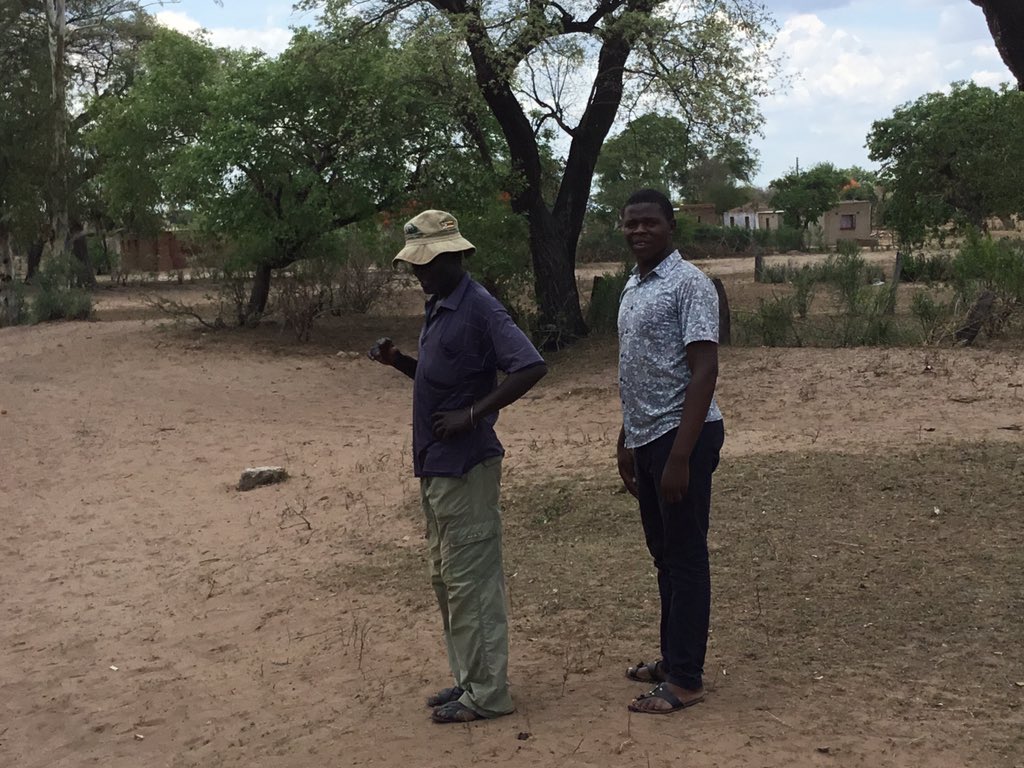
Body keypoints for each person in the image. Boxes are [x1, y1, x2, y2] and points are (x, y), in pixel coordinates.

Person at [368, 209, 548, 724]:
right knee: (447, 577)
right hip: (437, 465)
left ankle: (488, 693)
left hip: (467, 466)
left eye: (427, 263)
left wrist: (473, 414)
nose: (418, 272)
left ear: (454, 256)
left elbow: (531, 365)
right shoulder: (441, 305)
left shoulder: (480, 308)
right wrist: (399, 361)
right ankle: (471, 678)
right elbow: (440, 378)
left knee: (471, 581)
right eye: (415, 264)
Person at [615, 189, 725, 715]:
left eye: (649, 223)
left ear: (670, 226)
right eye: (631, 223)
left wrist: (680, 456)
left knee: (685, 557)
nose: (639, 231)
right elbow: (638, 368)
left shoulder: (691, 284)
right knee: (665, 556)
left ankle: (686, 679)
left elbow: (704, 371)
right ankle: (672, 656)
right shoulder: (633, 285)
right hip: (647, 437)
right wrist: (626, 438)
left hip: (685, 435)